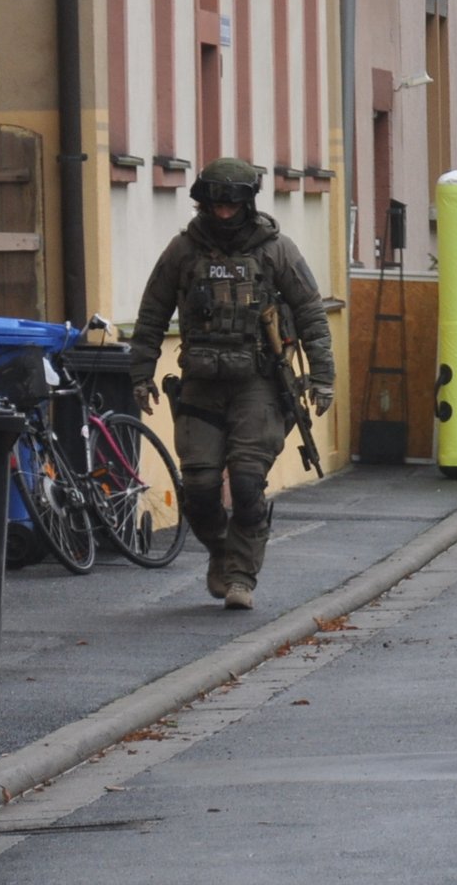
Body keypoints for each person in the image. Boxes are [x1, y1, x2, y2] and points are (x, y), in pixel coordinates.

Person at [129, 157, 336, 610]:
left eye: (231, 206)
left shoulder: (276, 250)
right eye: (215, 206)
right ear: (203, 204)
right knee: (200, 488)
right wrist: (140, 374)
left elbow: (311, 315)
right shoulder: (183, 251)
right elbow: (151, 315)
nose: (223, 214)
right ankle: (223, 552)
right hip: (201, 381)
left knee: (245, 481)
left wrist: (323, 379)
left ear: (247, 203)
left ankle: (242, 574)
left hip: (257, 383)